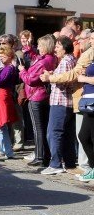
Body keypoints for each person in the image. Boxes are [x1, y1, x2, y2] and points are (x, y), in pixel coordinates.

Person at [38, 36, 77, 175]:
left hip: (60, 101)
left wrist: (49, 78)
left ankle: (55, 164)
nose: (55, 49)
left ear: (65, 48)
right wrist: (52, 75)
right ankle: (70, 163)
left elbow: (65, 81)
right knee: (66, 134)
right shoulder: (70, 60)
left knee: (53, 133)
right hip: (66, 102)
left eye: (58, 46)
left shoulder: (66, 61)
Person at [18, 35, 57, 168]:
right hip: (43, 96)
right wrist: (29, 49)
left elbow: (30, 79)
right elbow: (36, 57)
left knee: (38, 128)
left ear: (46, 46)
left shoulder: (43, 62)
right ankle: (44, 155)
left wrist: (22, 71)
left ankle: (40, 156)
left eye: (40, 45)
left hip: (36, 95)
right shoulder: (51, 58)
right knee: (43, 127)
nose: (38, 47)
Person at [76, 41, 94, 181]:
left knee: (86, 136)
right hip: (88, 101)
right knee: (84, 136)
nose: (90, 41)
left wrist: (84, 78)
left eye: (93, 38)